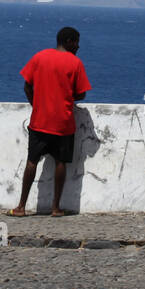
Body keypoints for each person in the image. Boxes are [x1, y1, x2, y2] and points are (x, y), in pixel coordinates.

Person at [9, 26, 90, 217]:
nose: (78, 46)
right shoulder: (75, 63)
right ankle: (55, 208)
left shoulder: (40, 57)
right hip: (63, 122)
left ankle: (21, 207)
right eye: (77, 41)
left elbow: (27, 86)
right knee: (61, 162)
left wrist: (36, 105)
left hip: (39, 120)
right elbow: (82, 93)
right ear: (69, 41)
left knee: (32, 161)